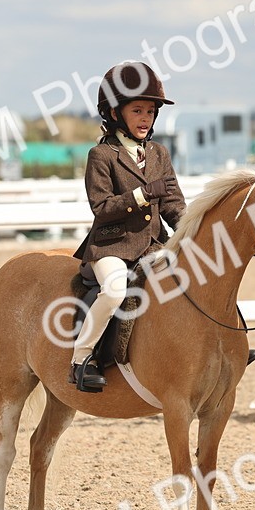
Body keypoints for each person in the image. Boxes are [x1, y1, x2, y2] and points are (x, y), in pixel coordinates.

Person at [70, 61, 186, 392]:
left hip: (152, 245)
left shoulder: (159, 154)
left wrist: (190, 232)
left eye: (150, 111)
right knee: (115, 290)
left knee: (203, 272)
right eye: (138, 110)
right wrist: (141, 194)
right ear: (116, 113)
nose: (145, 118)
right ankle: (82, 359)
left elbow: (174, 204)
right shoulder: (101, 156)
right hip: (111, 246)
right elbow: (102, 207)